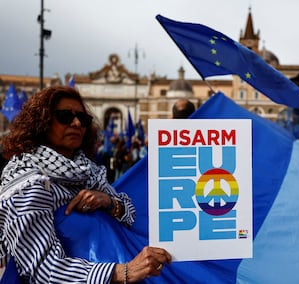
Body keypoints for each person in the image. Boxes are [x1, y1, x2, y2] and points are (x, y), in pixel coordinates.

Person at [0, 86, 171, 283]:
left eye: (83, 119)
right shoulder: (27, 183)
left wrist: (108, 202)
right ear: (42, 122)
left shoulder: (89, 172)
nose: (76, 123)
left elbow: (130, 215)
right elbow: (44, 270)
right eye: (65, 116)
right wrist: (124, 271)